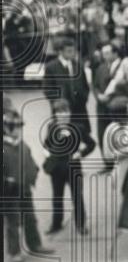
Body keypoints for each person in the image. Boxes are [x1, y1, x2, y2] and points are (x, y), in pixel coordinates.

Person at [3, 109, 55, 262]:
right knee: (13, 222)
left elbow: (29, 160)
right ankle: (14, 252)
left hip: (24, 187)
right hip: (9, 191)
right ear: (6, 128)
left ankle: (35, 244)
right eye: (15, 127)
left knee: (30, 217)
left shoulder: (23, 145)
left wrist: (34, 171)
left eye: (20, 126)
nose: (18, 130)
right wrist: (6, 182)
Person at [42, 99, 97, 235]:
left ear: (70, 112)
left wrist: (81, 153)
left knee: (77, 196)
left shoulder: (78, 128)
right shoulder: (52, 127)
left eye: (65, 111)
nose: (63, 115)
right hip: (56, 168)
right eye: (59, 112)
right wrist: (47, 152)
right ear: (55, 114)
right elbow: (47, 143)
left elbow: (92, 144)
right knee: (57, 197)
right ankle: (56, 224)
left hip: (73, 168)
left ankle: (81, 225)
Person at [43, 37, 92, 139]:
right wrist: (58, 103)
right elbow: (47, 89)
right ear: (61, 51)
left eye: (73, 51)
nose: (72, 53)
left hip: (79, 109)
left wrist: (83, 98)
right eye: (69, 51)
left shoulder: (78, 65)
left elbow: (85, 85)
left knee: (81, 136)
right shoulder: (51, 67)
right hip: (63, 111)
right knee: (63, 138)